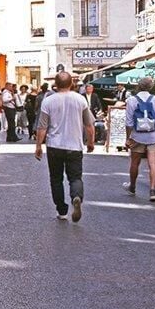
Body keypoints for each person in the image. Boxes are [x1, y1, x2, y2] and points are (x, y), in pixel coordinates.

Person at [35, 71, 95, 221]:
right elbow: (89, 124)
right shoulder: (80, 100)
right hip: (74, 145)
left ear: (55, 84)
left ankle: (62, 210)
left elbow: (42, 127)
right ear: (71, 84)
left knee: (56, 179)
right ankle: (76, 197)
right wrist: (91, 142)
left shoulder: (48, 101)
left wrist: (38, 146)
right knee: (75, 177)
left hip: (54, 146)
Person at [124, 75, 155, 202]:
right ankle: (152, 191)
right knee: (153, 163)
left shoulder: (131, 100)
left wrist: (128, 138)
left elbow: (129, 123)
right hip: (153, 136)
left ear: (138, 86)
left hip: (137, 136)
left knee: (135, 162)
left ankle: (132, 186)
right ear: (151, 87)